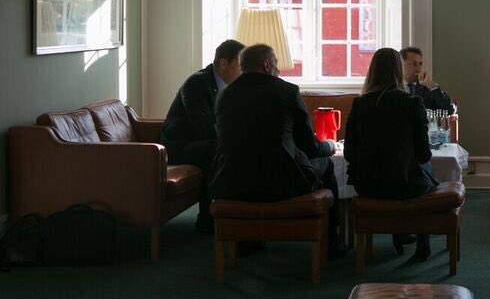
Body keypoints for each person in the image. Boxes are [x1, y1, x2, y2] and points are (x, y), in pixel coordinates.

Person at [207, 44, 342, 257]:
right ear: (267, 64)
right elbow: (309, 146)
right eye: (276, 64)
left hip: (233, 182)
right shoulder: (287, 91)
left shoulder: (224, 95)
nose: (278, 70)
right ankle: (331, 244)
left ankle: (246, 240)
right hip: (281, 182)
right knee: (327, 165)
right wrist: (330, 145)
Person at [344, 47, 438, 261]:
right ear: (398, 70)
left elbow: (349, 153)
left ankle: (400, 232)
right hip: (406, 185)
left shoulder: (359, 104)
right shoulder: (412, 103)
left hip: (367, 185)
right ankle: (422, 242)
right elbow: (423, 155)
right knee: (425, 171)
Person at [160, 38, 244, 233]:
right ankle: (207, 219)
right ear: (223, 63)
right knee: (215, 149)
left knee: (231, 148)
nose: (243, 71)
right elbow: (204, 128)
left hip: (202, 142)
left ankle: (237, 211)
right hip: (178, 146)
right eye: (239, 64)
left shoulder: (231, 86)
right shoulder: (196, 84)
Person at [400, 46, 456, 113]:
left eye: (420, 64)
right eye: (414, 64)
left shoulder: (429, 87)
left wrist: (432, 85)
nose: (418, 68)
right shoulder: (393, 87)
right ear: (401, 64)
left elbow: (449, 110)